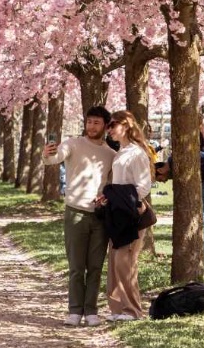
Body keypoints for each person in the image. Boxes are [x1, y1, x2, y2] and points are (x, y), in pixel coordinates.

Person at [43, 106, 115, 327]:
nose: (92, 126)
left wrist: (105, 197)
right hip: (75, 212)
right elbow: (55, 158)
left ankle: (91, 310)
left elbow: (111, 184)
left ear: (105, 126)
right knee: (76, 266)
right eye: (89, 122)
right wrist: (48, 153)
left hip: (99, 216)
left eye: (97, 123)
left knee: (95, 266)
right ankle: (74, 310)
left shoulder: (111, 154)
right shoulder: (73, 144)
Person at [101, 110, 152, 321]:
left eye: (113, 124)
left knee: (126, 260)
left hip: (130, 212)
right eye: (109, 125)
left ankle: (133, 310)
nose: (109, 129)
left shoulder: (137, 153)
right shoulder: (122, 151)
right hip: (117, 210)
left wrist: (123, 200)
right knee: (115, 260)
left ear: (126, 125)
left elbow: (144, 186)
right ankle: (118, 309)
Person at [155, 150, 204, 262]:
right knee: (202, 215)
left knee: (202, 216)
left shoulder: (174, 161)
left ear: (160, 170)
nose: (163, 182)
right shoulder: (173, 162)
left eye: (160, 179)